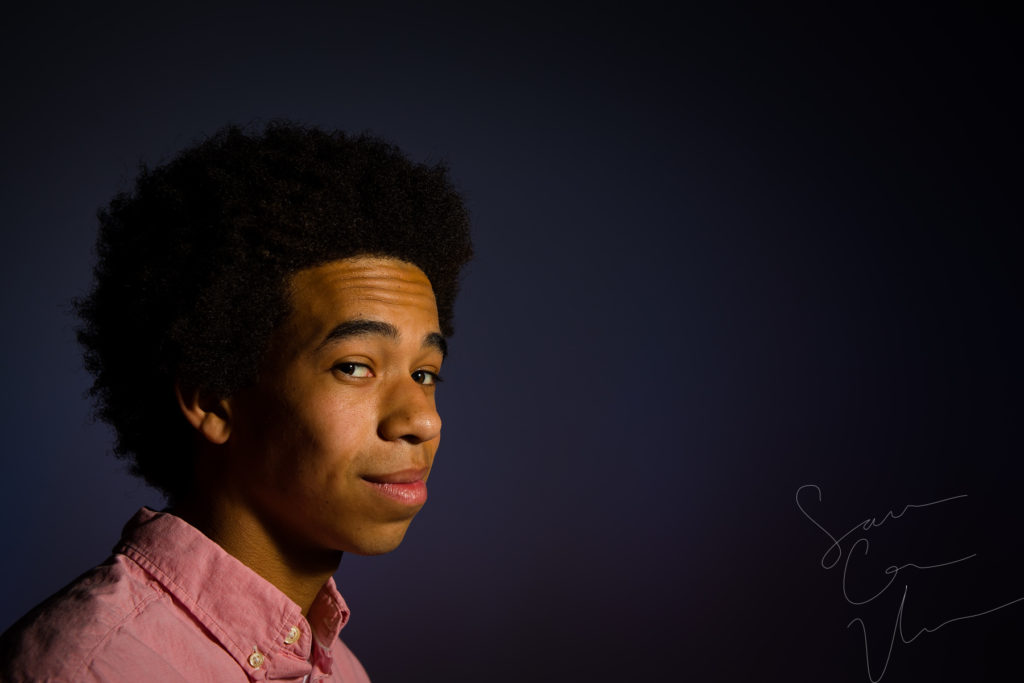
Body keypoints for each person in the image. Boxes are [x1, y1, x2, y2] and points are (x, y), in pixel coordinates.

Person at [0, 121, 473, 681]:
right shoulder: (95, 668)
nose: (421, 419)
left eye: (425, 373)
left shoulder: (341, 670)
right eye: (354, 367)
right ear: (213, 400)